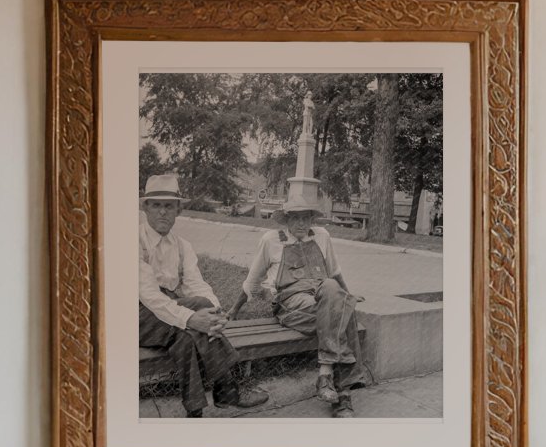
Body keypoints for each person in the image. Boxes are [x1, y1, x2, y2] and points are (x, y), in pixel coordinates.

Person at [138, 174, 267, 417]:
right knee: (190, 321)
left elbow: (196, 284)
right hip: (135, 313)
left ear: (179, 210)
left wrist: (215, 314)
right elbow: (148, 296)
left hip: (166, 314)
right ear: (145, 208)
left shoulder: (182, 245)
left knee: (188, 334)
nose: (163, 212)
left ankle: (195, 412)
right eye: (156, 205)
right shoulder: (134, 240)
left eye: (169, 206)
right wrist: (191, 318)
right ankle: (227, 390)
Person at [242, 195, 373, 418]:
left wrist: (346, 294)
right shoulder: (271, 239)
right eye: (295, 218)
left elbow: (334, 272)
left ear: (312, 218)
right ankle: (343, 396)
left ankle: (326, 377)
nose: (301, 223)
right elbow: (252, 282)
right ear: (286, 219)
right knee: (344, 311)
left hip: (321, 298)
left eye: (306, 218)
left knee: (336, 295)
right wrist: (233, 310)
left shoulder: (322, 236)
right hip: (291, 305)